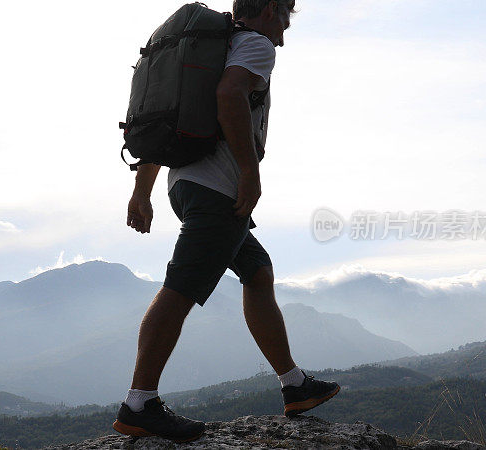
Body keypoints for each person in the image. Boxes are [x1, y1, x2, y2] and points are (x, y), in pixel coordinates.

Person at [113, 0, 340, 443]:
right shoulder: (253, 45)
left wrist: (142, 192)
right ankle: (138, 404)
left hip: (186, 185)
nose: (284, 33)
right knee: (180, 289)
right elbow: (228, 96)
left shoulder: (213, 48)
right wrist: (250, 171)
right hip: (219, 192)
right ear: (270, 10)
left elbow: (173, 119)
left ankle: (294, 385)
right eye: (286, 19)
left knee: (258, 273)